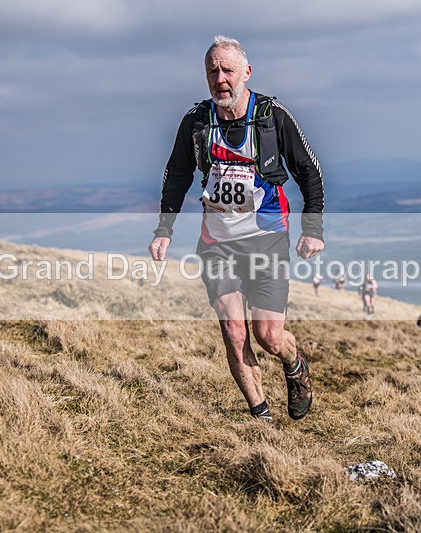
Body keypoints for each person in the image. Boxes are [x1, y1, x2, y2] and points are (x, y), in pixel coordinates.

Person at [148, 35, 324, 422]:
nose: (220, 78)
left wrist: (313, 228)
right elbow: (176, 175)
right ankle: (261, 419)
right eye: (213, 71)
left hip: (266, 240)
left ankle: (294, 365)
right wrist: (164, 229)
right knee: (233, 330)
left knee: (268, 335)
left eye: (228, 70)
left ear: (247, 72)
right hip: (217, 243)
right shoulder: (197, 122)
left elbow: (309, 171)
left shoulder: (271, 116)